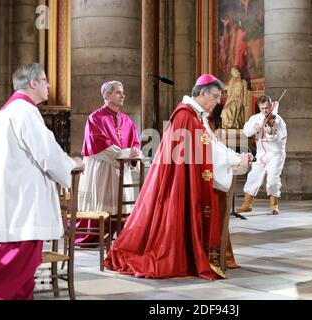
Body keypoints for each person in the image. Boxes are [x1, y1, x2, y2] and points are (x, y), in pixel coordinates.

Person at [104, 74, 252, 279]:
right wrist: (237, 161)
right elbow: (207, 150)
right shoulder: (185, 115)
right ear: (202, 93)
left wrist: (237, 157)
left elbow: (213, 145)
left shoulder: (197, 116)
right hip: (177, 183)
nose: (218, 103)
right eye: (216, 97)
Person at [0, 63, 84, 300]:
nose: (48, 85)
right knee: (10, 269)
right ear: (33, 83)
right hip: (21, 208)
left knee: (13, 269)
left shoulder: (9, 111)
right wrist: (73, 163)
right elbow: (47, 154)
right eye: (44, 80)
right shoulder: (25, 111)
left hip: (11, 203)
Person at [77, 80, 141, 243]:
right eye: (118, 92)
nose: (123, 95)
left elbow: (135, 142)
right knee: (103, 201)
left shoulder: (127, 120)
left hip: (121, 170)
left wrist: (134, 152)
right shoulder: (95, 118)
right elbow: (99, 145)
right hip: (102, 168)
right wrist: (125, 153)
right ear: (107, 95)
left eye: (123, 92)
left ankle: (119, 234)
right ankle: (98, 233)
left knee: (120, 204)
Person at [236, 95, 287, 215]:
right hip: (261, 153)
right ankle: (247, 204)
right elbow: (246, 131)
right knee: (253, 176)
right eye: (262, 108)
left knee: (273, 179)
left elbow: (279, 139)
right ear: (259, 107)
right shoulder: (255, 118)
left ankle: (274, 205)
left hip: (275, 154)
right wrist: (255, 128)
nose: (265, 111)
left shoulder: (277, 120)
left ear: (270, 105)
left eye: (267, 108)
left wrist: (270, 132)